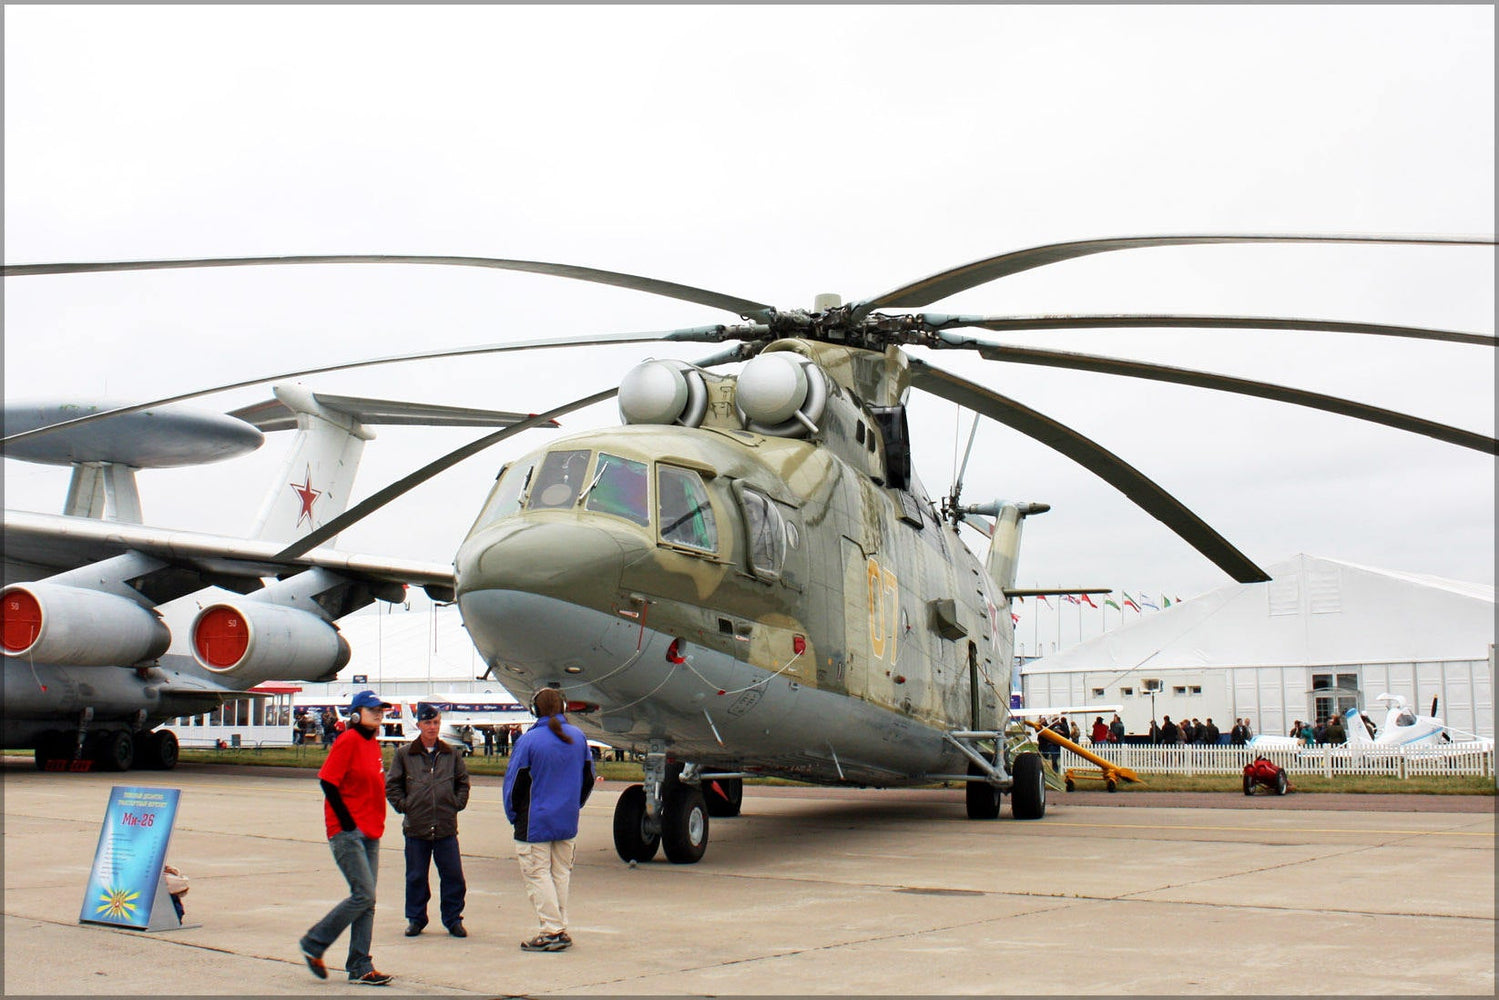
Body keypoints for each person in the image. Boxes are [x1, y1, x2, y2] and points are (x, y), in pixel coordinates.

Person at [299, 690, 395, 987]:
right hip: (348, 831)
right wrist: (348, 823)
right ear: (356, 714)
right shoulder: (349, 740)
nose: (379, 714)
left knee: (368, 901)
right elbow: (328, 781)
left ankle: (360, 965)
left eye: (381, 709)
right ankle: (314, 942)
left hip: (371, 831)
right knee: (363, 894)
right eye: (372, 709)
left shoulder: (372, 745)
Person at [503, 687, 595, 953]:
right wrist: (573, 805)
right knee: (560, 874)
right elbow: (588, 778)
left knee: (537, 874)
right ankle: (559, 926)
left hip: (535, 821)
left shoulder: (530, 741)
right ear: (563, 707)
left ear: (535, 709)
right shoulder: (578, 738)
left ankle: (552, 930)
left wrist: (513, 814)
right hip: (566, 820)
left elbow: (514, 783)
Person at [386, 704, 471, 939]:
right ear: (419, 725)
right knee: (416, 876)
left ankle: (453, 919)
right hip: (416, 828)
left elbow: (462, 782)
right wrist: (406, 806)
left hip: (445, 827)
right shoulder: (405, 754)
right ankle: (416, 918)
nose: (432, 727)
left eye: (436, 723)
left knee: (453, 876)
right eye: (428, 723)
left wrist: (456, 803)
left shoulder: (451, 754)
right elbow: (392, 785)